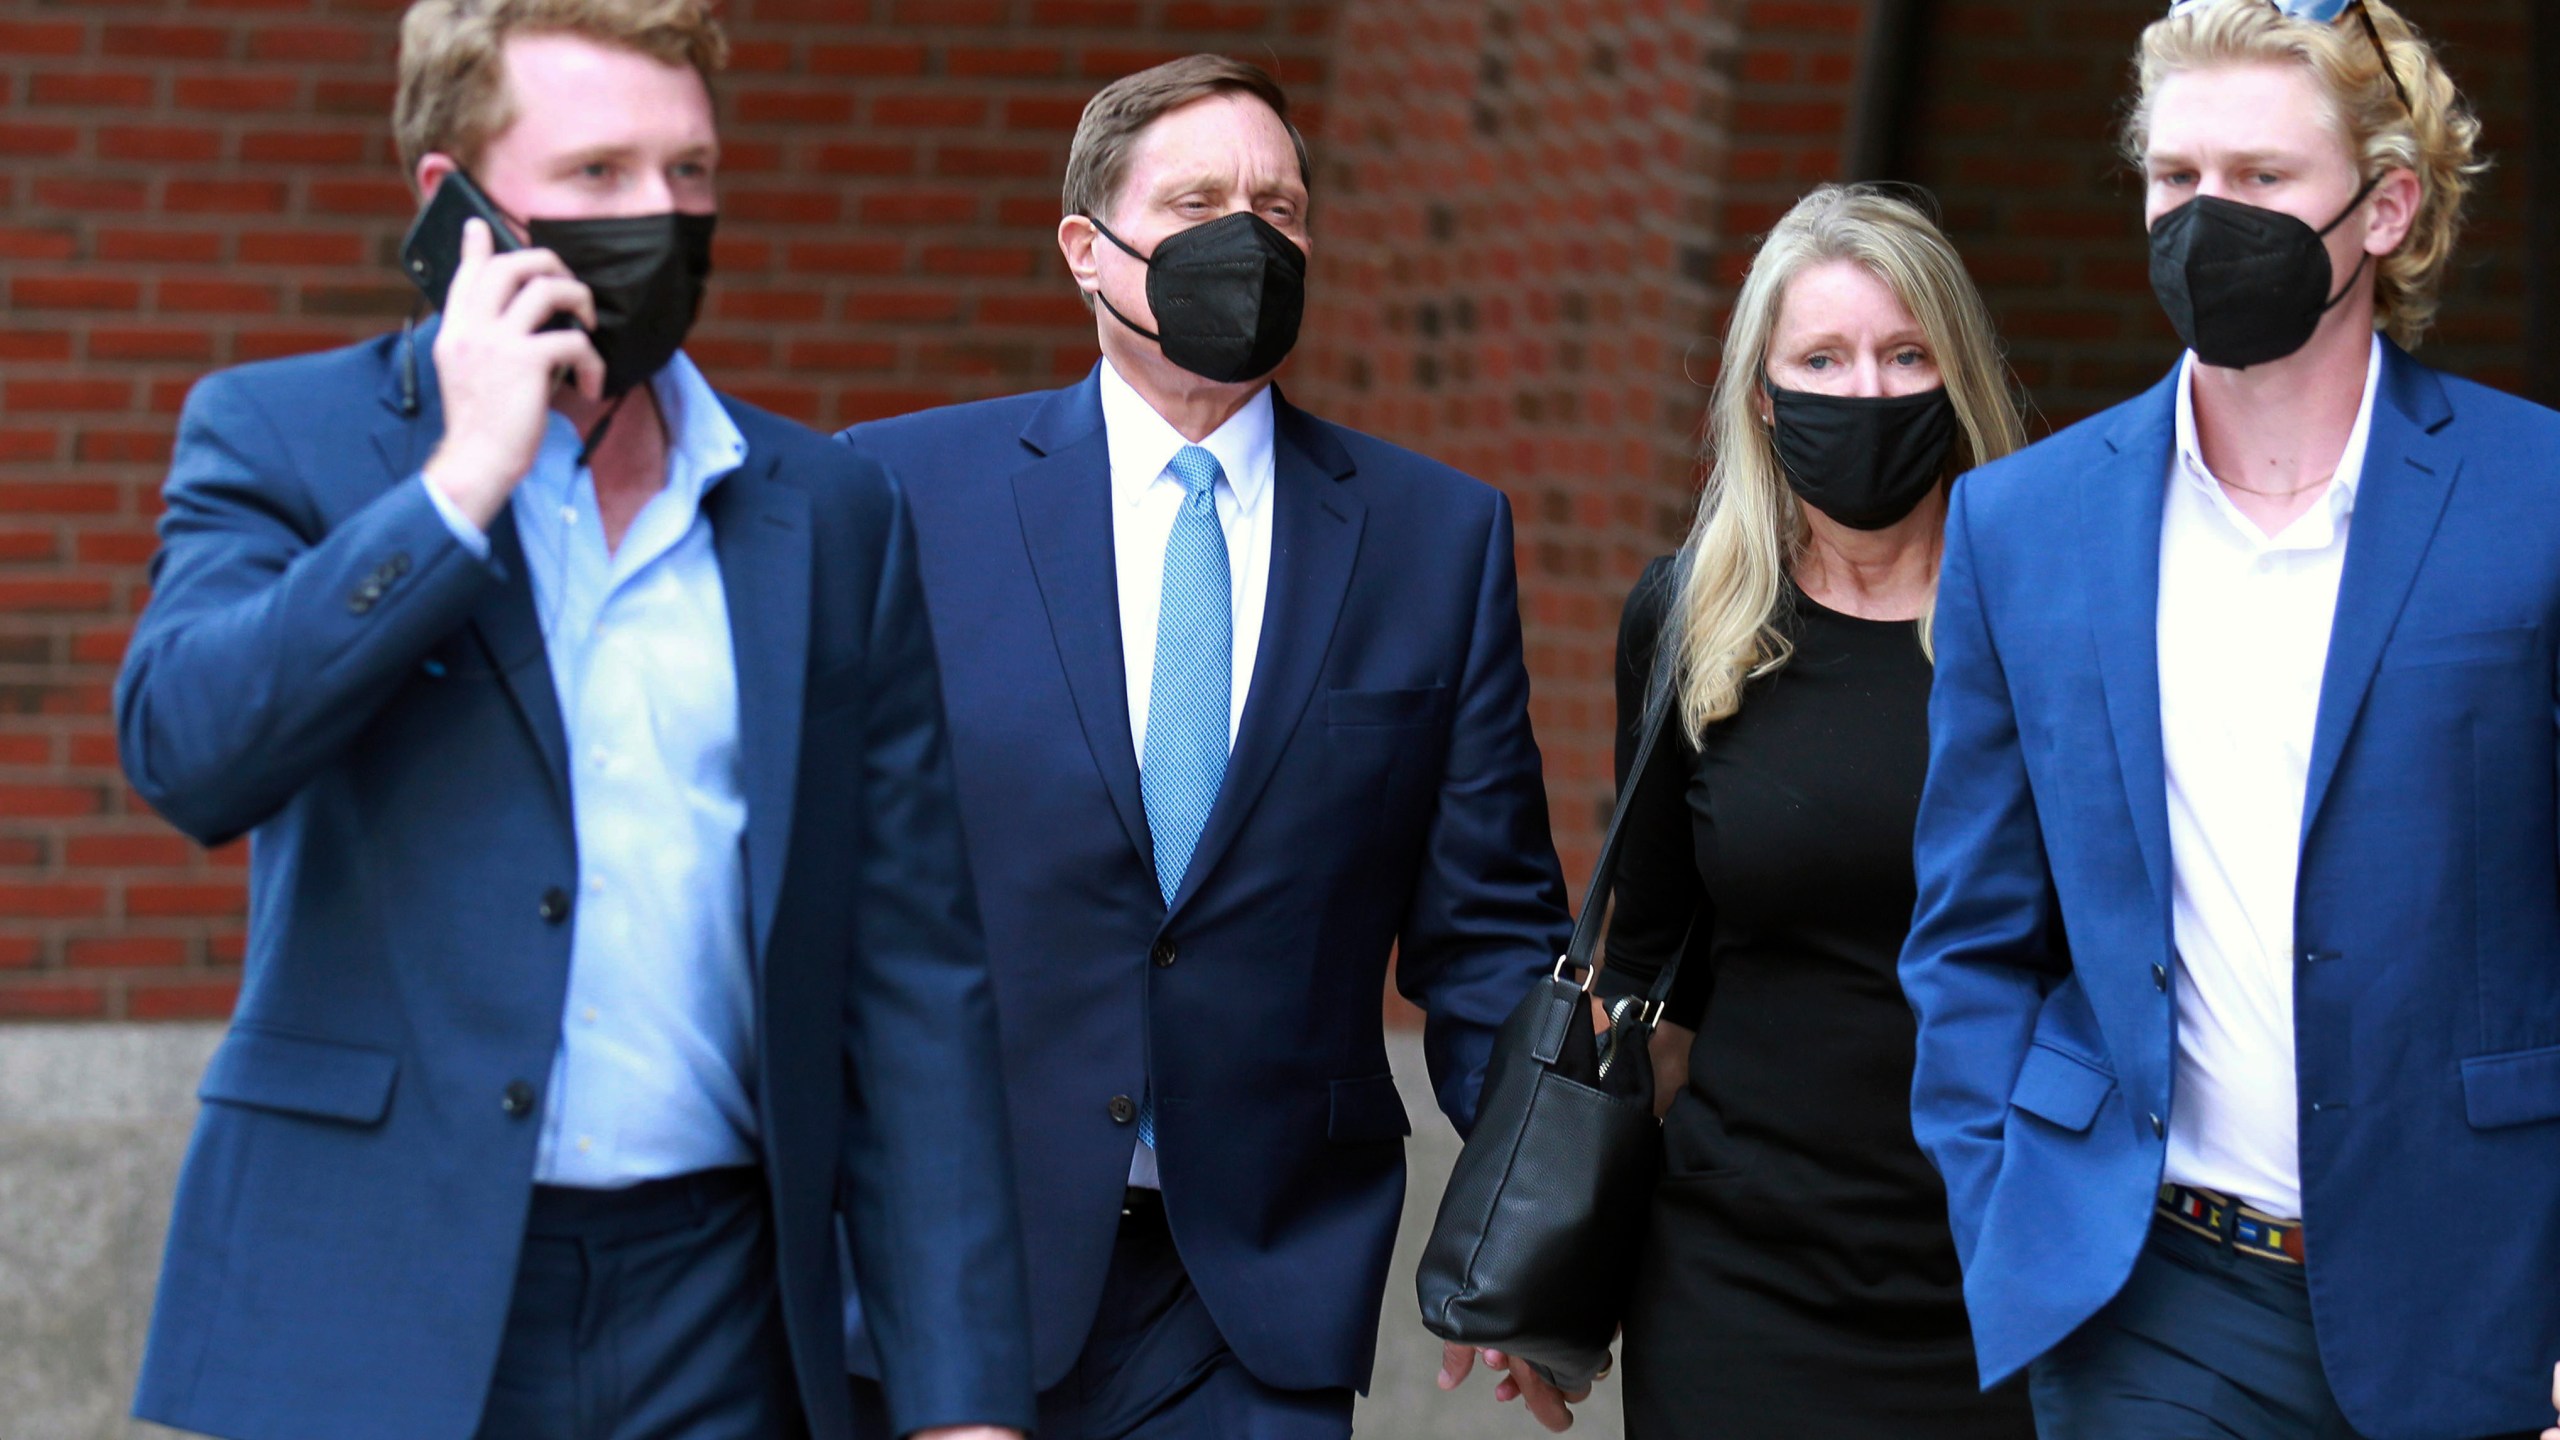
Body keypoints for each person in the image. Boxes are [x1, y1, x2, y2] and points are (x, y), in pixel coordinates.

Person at [113, 3, 1031, 1438]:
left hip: (721, 1312)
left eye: (690, 173)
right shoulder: (282, 437)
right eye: (598, 173)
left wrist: (963, 1396)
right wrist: (460, 486)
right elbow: (189, 750)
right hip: (374, 1290)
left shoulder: (830, 512)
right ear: (453, 201)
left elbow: (912, 968)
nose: (657, 216)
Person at [834, 54, 1571, 1440]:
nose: (1248, 238)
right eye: (1197, 202)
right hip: (954, 1279)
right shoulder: (901, 493)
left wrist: (1532, 1237)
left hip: (1260, 1298)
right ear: (1086, 249)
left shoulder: (1436, 539)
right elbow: (825, 893)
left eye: (1279, 208)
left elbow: (1488, 937)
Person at [1900, 2, 2560, 1437]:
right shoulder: (2027, 526)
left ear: (2386, 208)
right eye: (2176, 178)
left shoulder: (2541, 499)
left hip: (2482, 1299)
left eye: (2262, 181)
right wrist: (2006, 1212)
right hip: (2155, 1301)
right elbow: (1971, 931)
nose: (2208, 220)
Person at [1480, 183, 2034, 1435]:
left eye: (1906, 355)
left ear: (1958, 378)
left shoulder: (2051, 621)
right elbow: (1647, 973)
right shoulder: (1692, 623)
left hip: (1999, 1275)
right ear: (1762, 396)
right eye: (1824, 359)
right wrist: (1549, 1258)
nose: (1868, 391)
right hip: (1739, 1273)